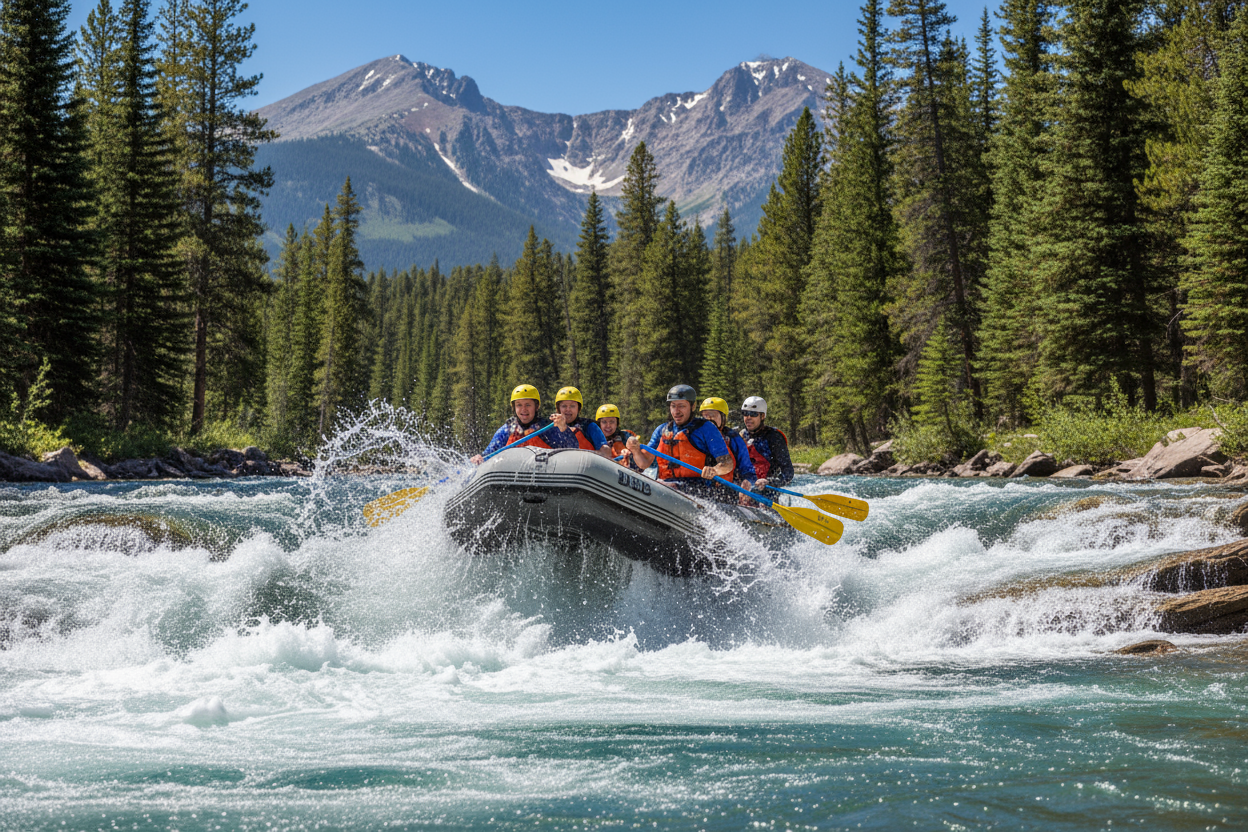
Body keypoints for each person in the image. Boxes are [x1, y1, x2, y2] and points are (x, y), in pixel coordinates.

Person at [627, 384, 735, 502]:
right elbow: (644, 463)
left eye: (681, 406)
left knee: (667, 486)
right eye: (673, 406)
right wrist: (636, 450)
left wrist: (714, 470)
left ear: (693, 406)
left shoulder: (706, 428)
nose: (676, 411)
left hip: (699, 488)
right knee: (661, 485)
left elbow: (727, 463)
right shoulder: (662, 430)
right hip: (667, 485)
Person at [471, 384, 576, 464]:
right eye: (519, 405)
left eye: (528, 405)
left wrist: (564, 429)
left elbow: (573, 448)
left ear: (536, 406)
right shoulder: (508, 429)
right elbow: (489, 452)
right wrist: (480, 457)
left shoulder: (547, 428)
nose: (523, 409)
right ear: (514, 407)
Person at [699, 397, 757, 499]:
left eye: (713, 415)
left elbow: (748, 471)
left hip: (726, 492)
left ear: (723, 417)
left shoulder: (734, 439)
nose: (708, 419)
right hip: (698, 489)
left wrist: (747, 482)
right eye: (705, 416)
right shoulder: (695, 436)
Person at [739, 396, 794, 490]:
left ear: (762, 416)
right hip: (744, 489)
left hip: (767, 490)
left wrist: (770, 482)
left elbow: (788, 472)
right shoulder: (740, 436)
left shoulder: (774, 437)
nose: (748, 417)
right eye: (745, 413)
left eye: (753, 414)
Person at [553, 387, 613, 458]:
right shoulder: (550, 428)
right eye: (564, 406)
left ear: (578, 408)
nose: (568, 409)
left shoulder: (590, 426)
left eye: (572, 406)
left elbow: (606, 452)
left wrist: (583, 454)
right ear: (558, 408)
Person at [595, 403, 641, 470]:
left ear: (617, 423)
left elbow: (642, 463)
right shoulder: (591, 440)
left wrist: (631, 455)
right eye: (604, 422)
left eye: (612, 422)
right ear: (599, 424)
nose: (608, 426)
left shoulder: (626, 437)